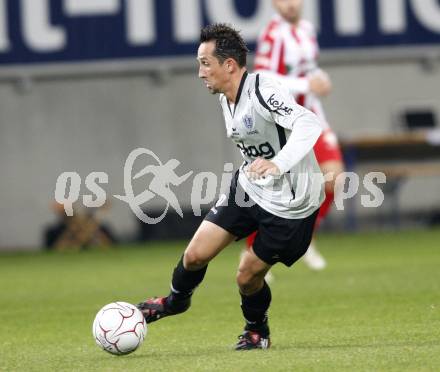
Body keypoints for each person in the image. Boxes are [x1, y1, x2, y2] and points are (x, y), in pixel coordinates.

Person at [137, 23, 324, 350]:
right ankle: (175, 302)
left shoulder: (263, 89)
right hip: (250, 187)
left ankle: (257, 331)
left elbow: (308, 123)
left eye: (205, 63)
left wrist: (278, 163)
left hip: (291, 206)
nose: (200, 73)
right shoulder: (227, 97)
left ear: (230, 65)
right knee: (195, 255)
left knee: (246, 275)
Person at [246, 0, 345, 271]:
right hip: (284, 121)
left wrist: (320, 78)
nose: (288, 4)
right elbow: (262, 76)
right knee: (274, 189)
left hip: (311, 115)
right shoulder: (273, 34)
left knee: (334, 179)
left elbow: (307, 68)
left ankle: (306, 237)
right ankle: (254, 251)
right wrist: (305, 84)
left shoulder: (307, 29)